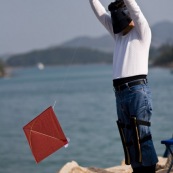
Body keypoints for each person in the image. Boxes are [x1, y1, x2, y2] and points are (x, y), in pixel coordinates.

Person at [89, 0, 158, 172]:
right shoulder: (118, 35)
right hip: (120, 92)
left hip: (136, 90)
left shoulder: (142, 32)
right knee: (129, 138)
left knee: (142, 137)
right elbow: (99, 12)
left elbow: (135, 9)